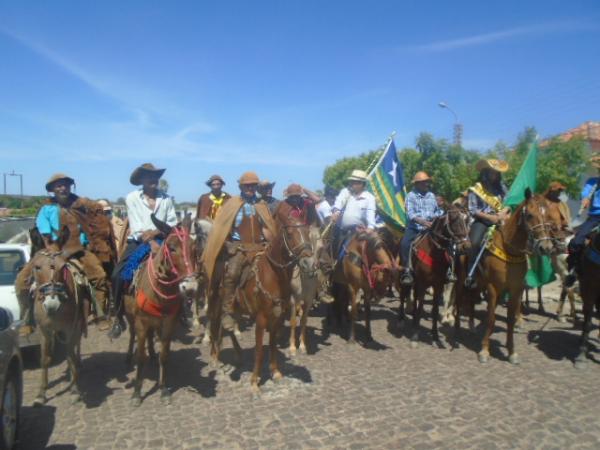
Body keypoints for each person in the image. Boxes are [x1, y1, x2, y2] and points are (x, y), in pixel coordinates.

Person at [14, 174, 112, 335]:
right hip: (52, 249)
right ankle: (27, 319)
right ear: (52, 190)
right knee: (21, 281)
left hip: (77, 250)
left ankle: (99, 313)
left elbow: (91, 225)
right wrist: (51, 248)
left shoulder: (80, 206)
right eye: (58, 186)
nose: (62, 188)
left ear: (69, 187)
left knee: (99, 275)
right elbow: (44, 231)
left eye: (65, 185)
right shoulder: (47, 208)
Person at [108, 163, 177, 339]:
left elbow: (172, 222)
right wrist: (151, 239)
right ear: (142, 180)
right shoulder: (132, 198)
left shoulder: (167, 198)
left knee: (181, 271)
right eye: (148, 176)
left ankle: (180, 312)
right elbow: (136, 225)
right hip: (139, 241)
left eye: (155, 176)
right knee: (118, 275)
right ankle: (118, 317)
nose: (153, 180)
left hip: (163, 239)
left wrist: (157, 234)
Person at [202, 171, 277, 332]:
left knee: (275, 271)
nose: (250, 188)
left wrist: (272, 242)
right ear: (241, 186)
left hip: (259, 247)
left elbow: (265, 228)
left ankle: (274, 305)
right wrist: (228, 244)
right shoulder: (232, 203)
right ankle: (227, 311)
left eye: (253, 185)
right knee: (232, 273)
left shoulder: (261, 205)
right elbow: (221, 229)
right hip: (239, 248)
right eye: (247, 185)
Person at [464, 158, 511, 288]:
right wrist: (490, 218)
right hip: (482, 221)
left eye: (496, 173)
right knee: (474, 243)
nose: (494, 175)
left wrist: (504, 213)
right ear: (485, 173)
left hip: (501, 220)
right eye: (491, 172)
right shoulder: (476, 189)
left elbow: (509, 203)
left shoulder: (502, 188)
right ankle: (471, 273)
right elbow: (473, 209)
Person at [399, 171, 444, 285]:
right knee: (405, 244)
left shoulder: (431, 195)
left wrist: (438, 216)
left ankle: (448, 270)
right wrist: (423, 222)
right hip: (415, 228)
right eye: (423, 183)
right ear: (417, 184)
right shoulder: (411, 196)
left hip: (431, 228)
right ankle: (407, 270)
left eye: (427, 182)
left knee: (447, 242)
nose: (426, 184)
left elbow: (437, 211)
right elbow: (411, 214)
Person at [566, 155, 600, 286]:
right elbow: (585, 193)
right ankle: (574, 271)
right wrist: (585, 198)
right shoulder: (592, 182)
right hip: (595, 217)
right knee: (575, 242)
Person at [330, 170, 377, 261]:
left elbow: (371, 217)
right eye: (351, 182)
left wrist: (370, 228)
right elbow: (338, 203)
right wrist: (336, 212)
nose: (352, 184)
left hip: (358, 232)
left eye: (355, 182)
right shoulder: (345, 192)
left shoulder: (369, 198)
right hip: (342, 231)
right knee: (332, 250)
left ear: (362, 184)